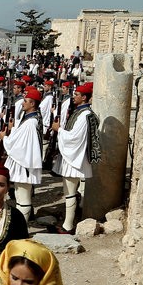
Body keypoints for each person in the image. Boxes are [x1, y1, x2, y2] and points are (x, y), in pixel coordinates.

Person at [51, 82, 100, 234]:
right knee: (69, 191)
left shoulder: (84, 115)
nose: (74, 97)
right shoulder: (80, 112)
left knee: (70, 192)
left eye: (77, 95)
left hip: (75, 159)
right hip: (73, 157)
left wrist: (59, 130)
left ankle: (68, 226)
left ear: (84, 98)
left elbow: (74, 138)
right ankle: (69, 221)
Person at [0, 86, 44, 222]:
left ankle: (22, 228)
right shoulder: (31, 119)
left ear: (32, 104)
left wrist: (4, 138)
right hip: (24, 163)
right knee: (20, 195)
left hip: (25, 164)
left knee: (23, 197)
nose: (23, 103)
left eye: (26, 101)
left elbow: (19, 145)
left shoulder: (31, 122)